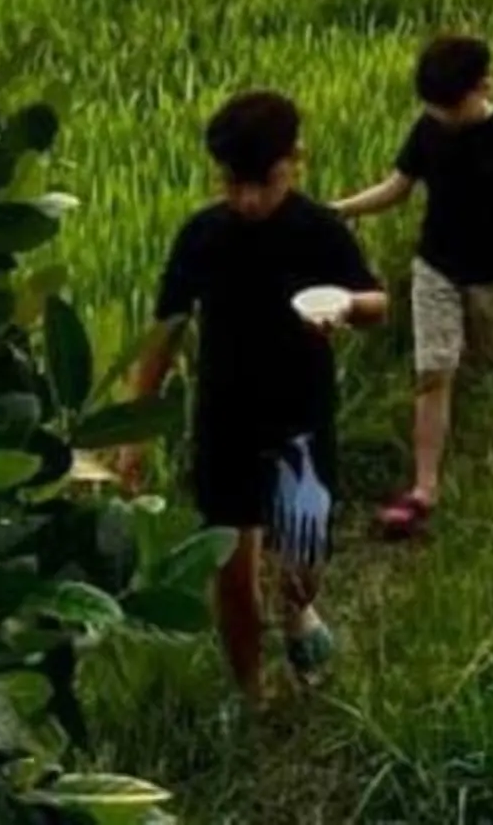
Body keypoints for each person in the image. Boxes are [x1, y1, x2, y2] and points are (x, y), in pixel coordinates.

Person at [118, 89, 387, 704]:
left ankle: (298, 613)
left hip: (300, 419)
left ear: (296, 160)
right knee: (233, 575)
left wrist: (346, 306)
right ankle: (252, 694)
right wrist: (133, 431)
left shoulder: (320, 231)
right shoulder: (201, 237)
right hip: (224, 420)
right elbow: (165, 334)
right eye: (232, 184)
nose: (246, 200)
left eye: (261, 183)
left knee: (303, 566)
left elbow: (377, 303)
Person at [335, 34, 493, 538]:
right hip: (436, 266)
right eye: (435, 108)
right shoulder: (428, 129)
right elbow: (398, 187)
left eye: (453, 106)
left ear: (484, 86)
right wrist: (341, 210)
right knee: (434, 368)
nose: (443, 116)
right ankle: (425, 488)